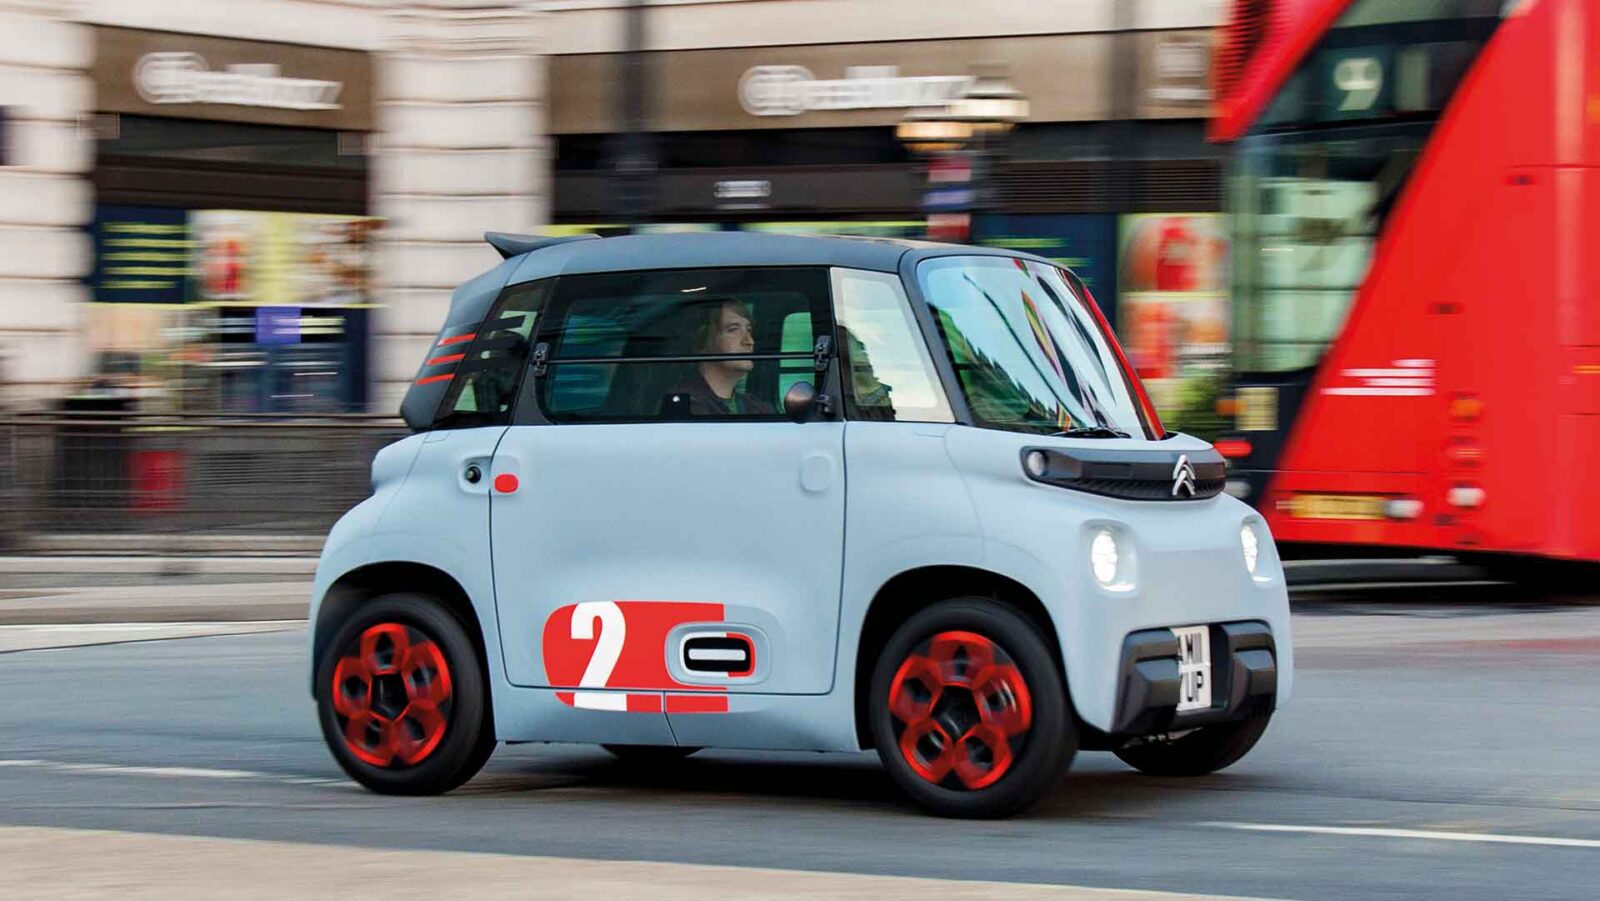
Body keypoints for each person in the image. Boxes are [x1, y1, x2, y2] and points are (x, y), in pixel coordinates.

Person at [667, 298, 774, 416]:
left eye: (749, 330)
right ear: (703, 340)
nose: (749, 341)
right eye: (733, 330)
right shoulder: (686, 404)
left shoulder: (754, 406)